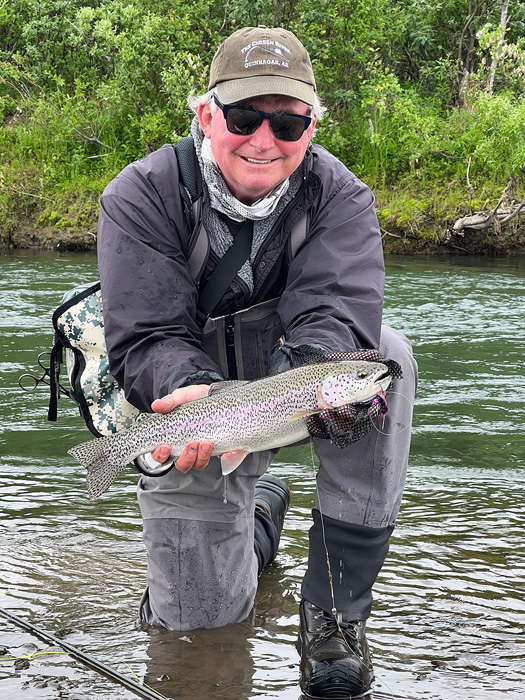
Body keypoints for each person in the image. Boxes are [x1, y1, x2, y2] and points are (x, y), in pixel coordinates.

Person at [97, 25, 417, 699]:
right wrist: (186, 391)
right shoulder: (141, 194)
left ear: (310, 125)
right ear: (205, 113)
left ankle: (334, 615)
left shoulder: (340, 196)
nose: (263, 139)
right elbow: (147, 334)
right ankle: (260, 516)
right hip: (188, 397)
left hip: (290, 374)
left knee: (386, 360)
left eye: (288, 121)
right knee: (198, 632)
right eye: (243, 116)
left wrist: (329, 373)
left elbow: (335, 308)